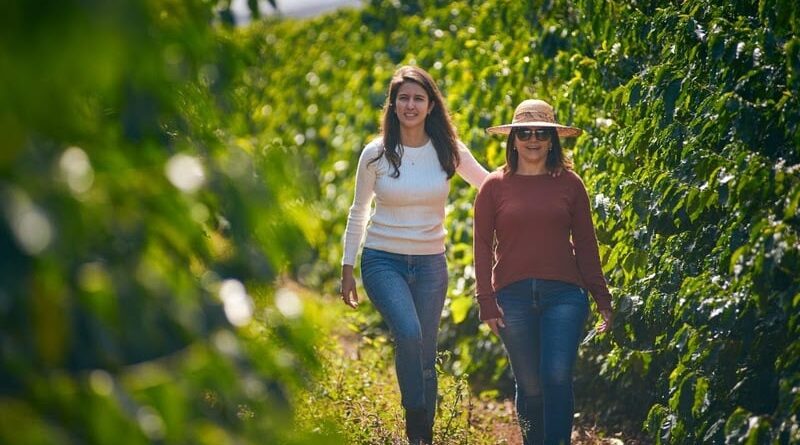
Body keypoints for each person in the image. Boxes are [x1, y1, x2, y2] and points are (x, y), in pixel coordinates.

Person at [339, 65, 488, 444]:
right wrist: (347, 267)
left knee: (425, 350)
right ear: (392, 104)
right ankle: (416, 417)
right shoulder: (376, 154)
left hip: (430, 263)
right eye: (403, 97)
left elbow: (488, 185)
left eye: (418, 98)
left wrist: (531, 177)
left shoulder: (448, 151)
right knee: (409, 333)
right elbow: (358, 211)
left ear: (431, 105)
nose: (410, 104)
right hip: (382, 260)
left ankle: (422, 437)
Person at [473, 99, 614, 445]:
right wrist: (485, 301)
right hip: (512, 297)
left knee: (556, 376)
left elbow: (586, 244)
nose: (533, 139)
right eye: (525, 132)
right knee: (530, 385)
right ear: (513, 138)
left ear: (553, 140)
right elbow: (480, 247)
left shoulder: (571, 184)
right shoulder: (493, 186)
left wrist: (602, 299)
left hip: (564, 295)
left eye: (541, 133)